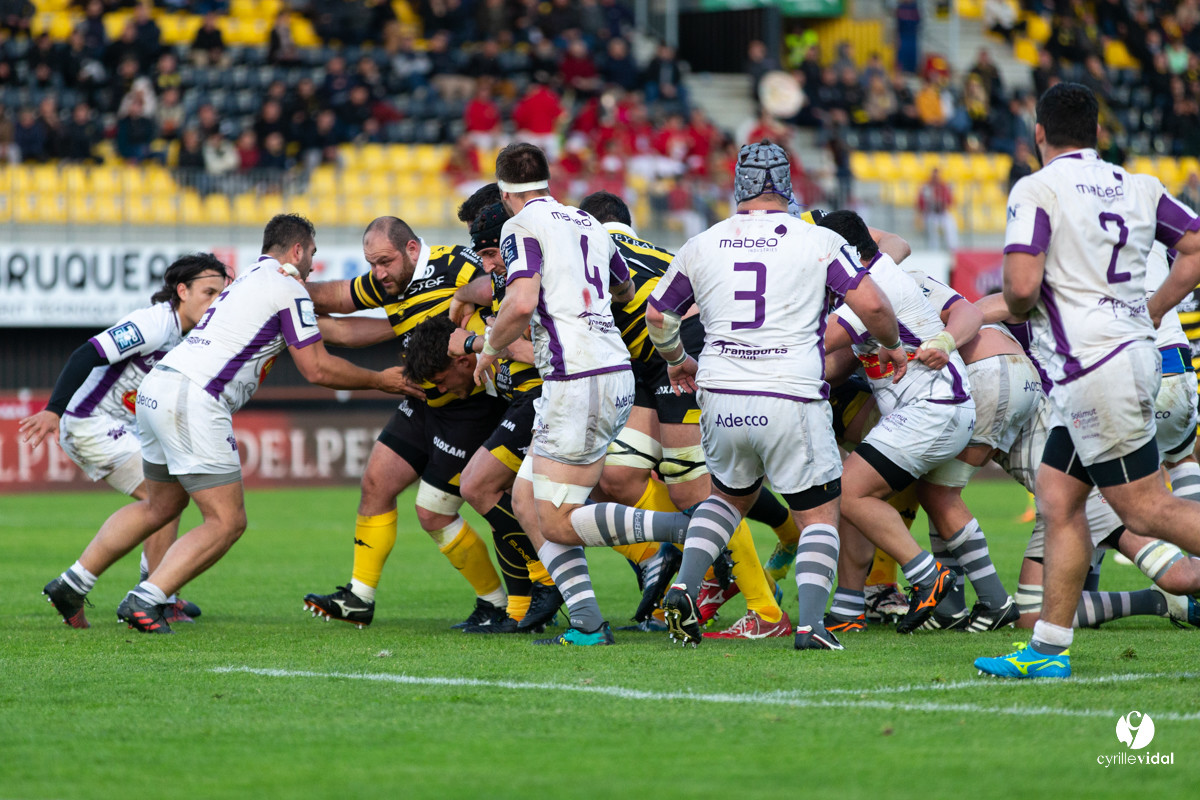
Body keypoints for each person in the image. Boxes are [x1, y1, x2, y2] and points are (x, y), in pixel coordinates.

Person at [567, 141, 906, 650]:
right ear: (787, 186)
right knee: (818, 513)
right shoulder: (815, 240)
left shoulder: (704, 242)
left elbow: (658, 314)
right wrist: (894, 345)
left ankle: (684, 585)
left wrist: (677, 357)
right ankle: (812, 626)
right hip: (790, 395)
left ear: (739, 186)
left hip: (721, 395)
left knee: (726, 498)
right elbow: (873, 303)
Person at [42, 215, 410, 634]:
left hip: (157, 390)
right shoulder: (287, 288)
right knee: (226, 521)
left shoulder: (249, 281)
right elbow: (318, 368)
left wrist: (404, 323)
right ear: (297, 251)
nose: (312, 265)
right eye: (312, 254)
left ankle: (74, 583)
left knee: (161, 505)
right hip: (195, 399)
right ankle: (147, 598)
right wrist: (381, 380)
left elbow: (335, 330)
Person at [975, 83, 1200, 679]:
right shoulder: (1139, 185)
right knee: (1057, 497)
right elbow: (1196, 244)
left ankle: (1048, 648)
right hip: (1121, 359)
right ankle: (1048, 650)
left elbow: (1021, 288)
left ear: (1038, 133)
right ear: (1098, 132)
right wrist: (1151, 309)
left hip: (1095, 368)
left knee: (1149, 510)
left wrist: (1024, 306)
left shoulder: (1037, 187)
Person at [302, 217, 512, 630]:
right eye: (371, 263)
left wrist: (471, 298)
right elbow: (337, 296)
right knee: (376, 482)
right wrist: (278, 289)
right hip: (421, 397)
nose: (378, 273)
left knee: (433, 514)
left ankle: (497, 602)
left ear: (413, 250)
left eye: (384, 261)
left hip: (468, 403)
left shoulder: (457, 265)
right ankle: (359, 597)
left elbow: (507, 286)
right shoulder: (386, 281)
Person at [470, 142, 638, 646]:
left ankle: (688, 529)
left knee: (559, 521)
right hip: (608, 369)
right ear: (547, 181)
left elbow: (519, 304)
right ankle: (587, 622)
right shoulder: (587, 222)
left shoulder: (518, 227)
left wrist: (488, 350)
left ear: (504, 195)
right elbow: (624, 291)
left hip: (577, 380)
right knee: (525, 499)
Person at [25, 254, 230, 627]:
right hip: (89, 421)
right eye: (209, 291)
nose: (216, 301)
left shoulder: (192, 335)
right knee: (163, 499)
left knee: (170, 498)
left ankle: (154, 592)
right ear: (181, 291)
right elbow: (86, 353)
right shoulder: (152, 323)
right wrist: (53, 409)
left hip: (125, 425)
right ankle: (122, 590)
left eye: (222, 293)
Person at [918, 167, 958, 251]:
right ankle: (933, 250)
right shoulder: (926, 186)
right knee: (933, 230)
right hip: (931, 213)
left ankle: (953, 249)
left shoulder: (944, 186)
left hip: (943, 213)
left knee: (950, 226)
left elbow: (950, 200)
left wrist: (942, 203)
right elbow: (921, 202)